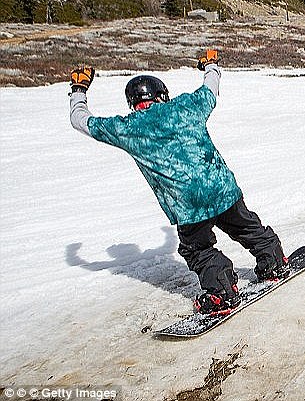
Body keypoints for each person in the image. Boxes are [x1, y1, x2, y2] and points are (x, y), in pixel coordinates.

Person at [68, 50, 288, 315]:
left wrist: (78, 89)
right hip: (221, 188)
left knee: (197, 249)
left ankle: (223, 292)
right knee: (245, 226)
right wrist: (211, 65)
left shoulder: (128, 128)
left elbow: (80, 120)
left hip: (188, 205)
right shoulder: (186, 107)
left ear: (133, 103)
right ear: (162, 95)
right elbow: (211, 88)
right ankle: (274, 262)